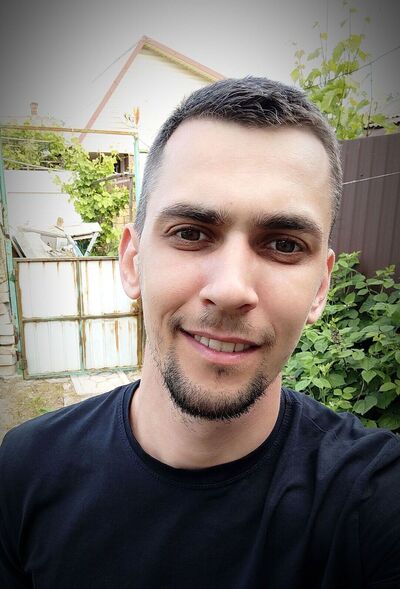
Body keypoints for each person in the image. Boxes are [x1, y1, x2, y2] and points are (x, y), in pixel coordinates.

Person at [1, 77, 399, 589]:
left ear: (321, 286)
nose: (231, 289)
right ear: (133, 262)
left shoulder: (374, 501)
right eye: (191, 233)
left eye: (283, 244)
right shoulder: (26, 470)